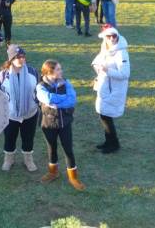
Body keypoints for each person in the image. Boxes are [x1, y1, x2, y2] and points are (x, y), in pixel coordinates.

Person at [36, 60, 84, 190]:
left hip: (65, 123)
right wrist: (62, 99)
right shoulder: (40, 86)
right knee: (51, 148)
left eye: (60, 69)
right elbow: (47, 99)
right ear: (49, 72)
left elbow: (72, 100)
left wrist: (57, 103)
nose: (61, 71)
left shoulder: (65, 82)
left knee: (68, 149)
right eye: (58, 69)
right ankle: (53, 172)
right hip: (48, 124)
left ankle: (73, 177)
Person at [0, 44, 40, 172]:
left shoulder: (32, 72)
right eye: (18, 57)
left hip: (30, 113)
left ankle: (28, 159)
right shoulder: (3, 75)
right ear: (11, 59)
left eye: (23, 56)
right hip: (10, 115)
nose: (22, 59)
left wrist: (37, 102)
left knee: (28, 137)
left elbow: (39, 91)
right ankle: (8, 159)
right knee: (10, 137)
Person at [92, 25, 130, 153]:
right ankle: (109, 141)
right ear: (105, 37)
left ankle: (114, 144)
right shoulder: (105, 48)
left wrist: (107, 70)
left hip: (114, 90)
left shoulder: (121, 52)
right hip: (105, 87)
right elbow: (99, 61)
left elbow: (125, 74)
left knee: (106, 116)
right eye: (109, 36)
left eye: (115, 36)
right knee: (104, 115)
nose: (113, 38)